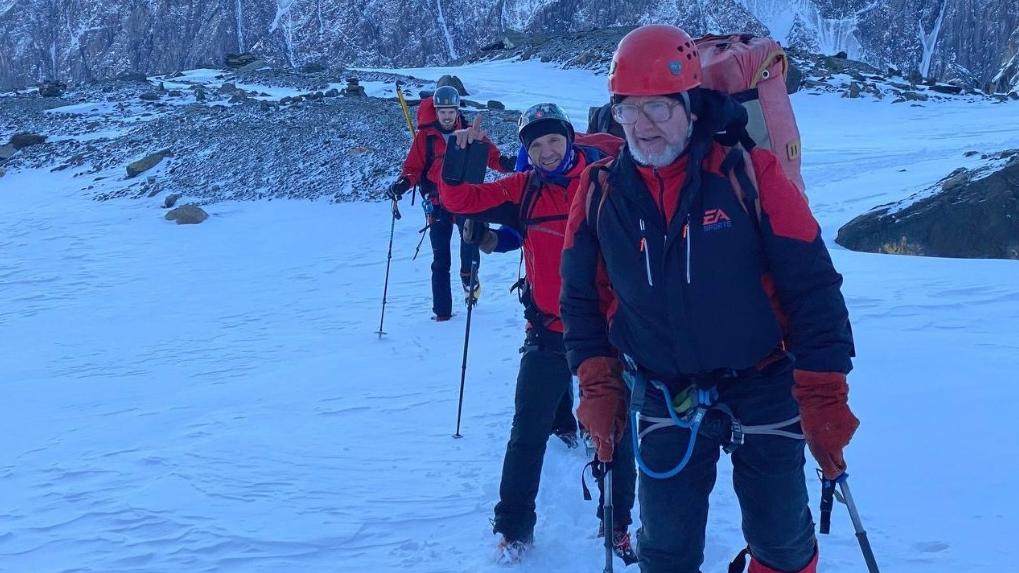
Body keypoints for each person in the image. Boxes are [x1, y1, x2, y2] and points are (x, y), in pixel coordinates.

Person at [560, 25, 860, 573]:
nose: (644, 127)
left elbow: (812, 287)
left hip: (764, 383)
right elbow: (582, 299)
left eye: (660, 109)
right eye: (629, 110)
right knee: (666, 553)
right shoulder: (601, 191)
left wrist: (823, 395)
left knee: (784, 546)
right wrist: (599, 387)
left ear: (692, 107)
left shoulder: (751, 173)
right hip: (659, 389)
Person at [438, 104, 637, 564]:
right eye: (536, 145)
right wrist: (456, 159)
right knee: (527, 431)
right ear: (527, 152)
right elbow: (458, 200)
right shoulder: (524, 188)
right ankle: (513, 529)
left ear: (569, 140)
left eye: (553, 141)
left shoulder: (607, 182)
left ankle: (618, 525)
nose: (547, 152)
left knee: (617, 434)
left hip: (606, 335)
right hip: (547, 331)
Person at [385, 85, 513, 320]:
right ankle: (442, 312)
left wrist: (506, 163)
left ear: (456, 111)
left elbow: (491, 156)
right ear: (436, 111)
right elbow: (413, 168)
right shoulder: (425, 138)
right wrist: (402, 184)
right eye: (442, 111)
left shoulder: (468, 132)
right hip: (436, 203)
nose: (446, 116)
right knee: (440, 258)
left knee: (470, 243)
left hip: (464, 199)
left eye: (450, 112)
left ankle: (469, 282)